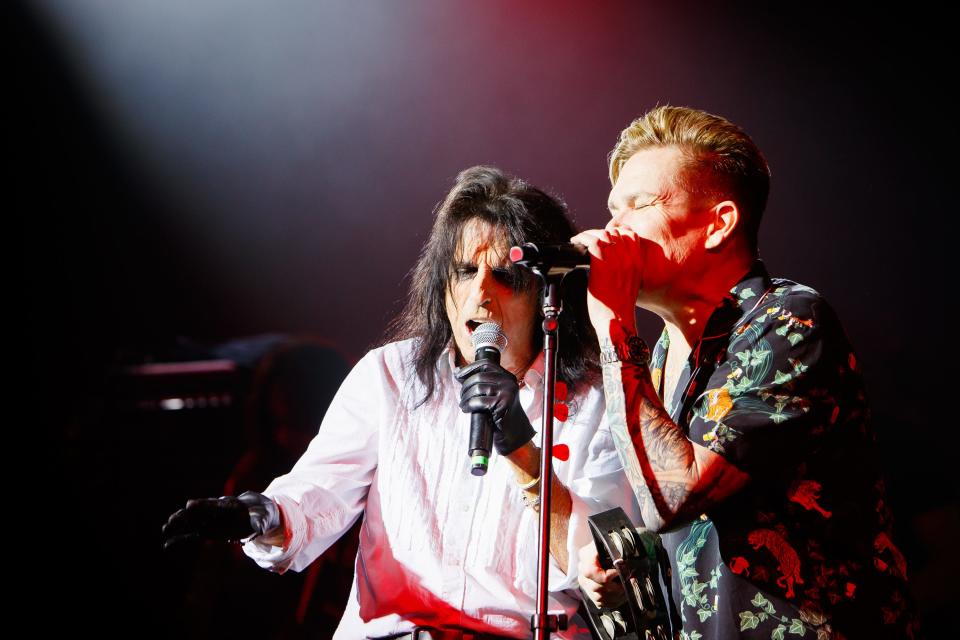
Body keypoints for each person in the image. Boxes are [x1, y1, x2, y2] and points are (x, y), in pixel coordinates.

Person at [163, 165, 639, 639]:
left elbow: (599, 567)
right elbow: (319, 492)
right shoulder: (391, 375)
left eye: (506, 277)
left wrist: (518, 443)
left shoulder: (594, 402)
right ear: (441, 284)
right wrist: (260, 514)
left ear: (545, 295)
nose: (481, 295)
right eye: (466, 272)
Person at [573, 106, 919, 639]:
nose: (614, 229)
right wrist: (631, 561)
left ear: (719, 223)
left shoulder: (788, 319)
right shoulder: (665, 352)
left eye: (639, 205)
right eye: (612, 210)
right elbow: (707, 523)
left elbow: (678, 493)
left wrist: (615, 325)